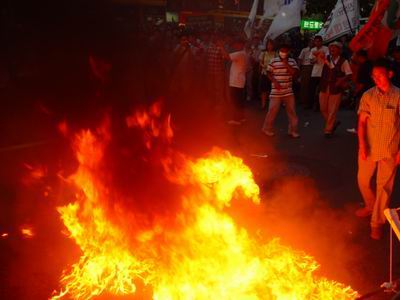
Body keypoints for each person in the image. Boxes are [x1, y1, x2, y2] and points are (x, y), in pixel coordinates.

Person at [356, 58, 400, 240]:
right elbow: (361, 123)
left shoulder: (398, 96)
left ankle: (377, 222)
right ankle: (370, 205)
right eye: (374, 76)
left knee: (384, 188)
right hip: (369, 147)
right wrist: (362, 145)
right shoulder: (368, 95)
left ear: (390, 74)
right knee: (363, 180)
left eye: (380, 75)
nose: (376, 79)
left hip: (390, 149)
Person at [262, 44, 300, 138]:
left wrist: (285, 63)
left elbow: (294, 73)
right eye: (281, 51)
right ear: (279, 51)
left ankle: (293, 130)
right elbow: (268, 72)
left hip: (288, 91)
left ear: (288, 52)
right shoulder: (273, 61)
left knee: (291, 111)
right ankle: (266, 128)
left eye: (285, 51)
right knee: (272, 110)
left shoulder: (292, 61)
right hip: (276, 91)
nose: (283, 53)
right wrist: (275, 82)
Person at [318, 41, 352, 138]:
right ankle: (334, 122)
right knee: (323, 108)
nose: (332, 49)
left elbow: (349, 74)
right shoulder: (326, 58)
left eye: (335, 47)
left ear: (340, 50)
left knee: (332, 110)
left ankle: (328, 130)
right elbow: (314, 56)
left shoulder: (343, 61)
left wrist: (341, 79)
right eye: (331, 47)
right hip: (324, 86)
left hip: (336, 88)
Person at [219, 38, 248, 124]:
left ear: (241, 45)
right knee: (239, 100)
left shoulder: (240, 53)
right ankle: (241, 117)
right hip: (239, 80)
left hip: (236, 81)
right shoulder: (243, 53)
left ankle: (236, 119)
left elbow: (226, 56)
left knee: (235, 101)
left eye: (237, 44)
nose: (235, 45)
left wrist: (221, 47)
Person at [308, 35, 329, 110]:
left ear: (321, 41)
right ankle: (310, 105)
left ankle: (320, 105)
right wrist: (316, 58)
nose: (317, 43)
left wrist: (322, 56)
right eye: (315, 41)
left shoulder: (326, 49)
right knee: (312, 89)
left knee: (321, 90)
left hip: (323, 72)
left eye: (318, 41)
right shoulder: (313, 50)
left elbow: (328, 59)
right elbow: (311, 61)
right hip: (315, 72)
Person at [259, 39, 276, 109]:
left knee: (272, 90)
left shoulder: (275, 54)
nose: (269, 46)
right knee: (264, 90)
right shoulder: (263, 53)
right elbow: (260, 62)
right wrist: (264, 66)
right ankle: (263, 104)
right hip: (265, 73)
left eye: (271, 45)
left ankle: (272, 105)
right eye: (268, 45)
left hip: (273, 74)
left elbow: (277, 62)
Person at [298, 39, 314, 107]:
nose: (311, 43)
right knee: (304, 84)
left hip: (313, 67)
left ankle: (309, 100)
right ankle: (303, 100)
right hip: (305, 67)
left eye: (312, 42)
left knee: (310, 84)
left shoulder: (315, 50)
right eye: (310, 42)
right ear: (308, 43)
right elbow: (300, 59)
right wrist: (299, 69)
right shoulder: (304, 50)